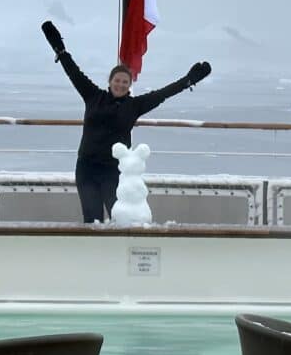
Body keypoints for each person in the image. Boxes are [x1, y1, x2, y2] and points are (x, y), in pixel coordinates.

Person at [42, 20, 211, 223]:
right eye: (117, 80)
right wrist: (60, 50)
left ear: (129, 85)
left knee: (119, 218)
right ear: (110, 81)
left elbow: (164, 93)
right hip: (86, 168)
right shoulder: (93, 96)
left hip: (113, 171)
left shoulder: (135, 105)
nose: (120, 85)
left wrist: (189, 80)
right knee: (91, 219)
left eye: (125, 82)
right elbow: (74, 73)